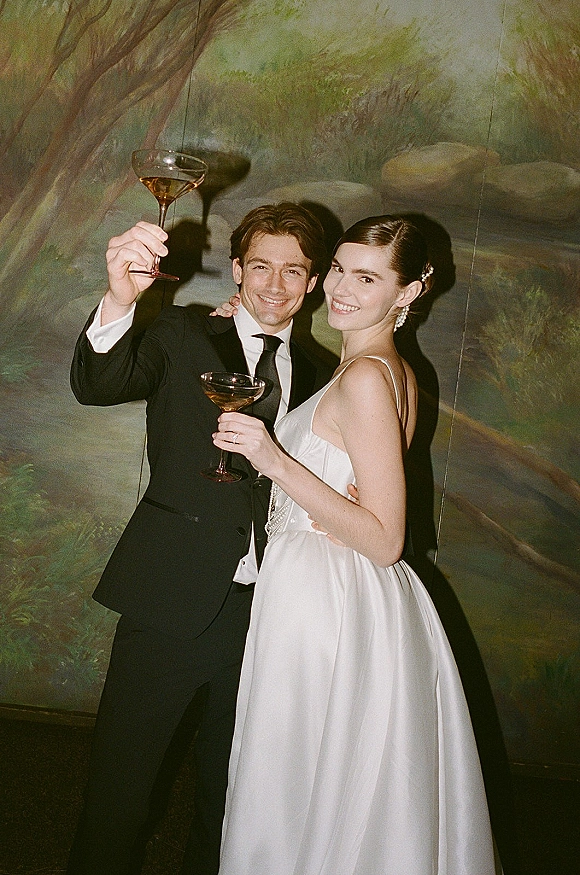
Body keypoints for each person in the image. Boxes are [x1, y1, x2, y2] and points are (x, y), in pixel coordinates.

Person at [212, 215, 500, 874]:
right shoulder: (381, 368)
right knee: (322, 782)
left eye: (367, 278)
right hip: (326, 587)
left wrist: (273, 458)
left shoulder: (369, 376)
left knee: (294, 782)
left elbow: (386, 537)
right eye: (339, 269)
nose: (341, 288)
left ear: (409, 291)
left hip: (325, 599)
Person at [66, 203, 334, 875]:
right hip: (168, 598)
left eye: (293, 270)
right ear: (238, 270)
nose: (275, 285)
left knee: (233, 800)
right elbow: (98, 383)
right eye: (261, 266)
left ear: (313, 281)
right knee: (120, 793)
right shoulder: (184, 331)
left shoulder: (324, 371)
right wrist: (119, 299)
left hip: (269, 614)